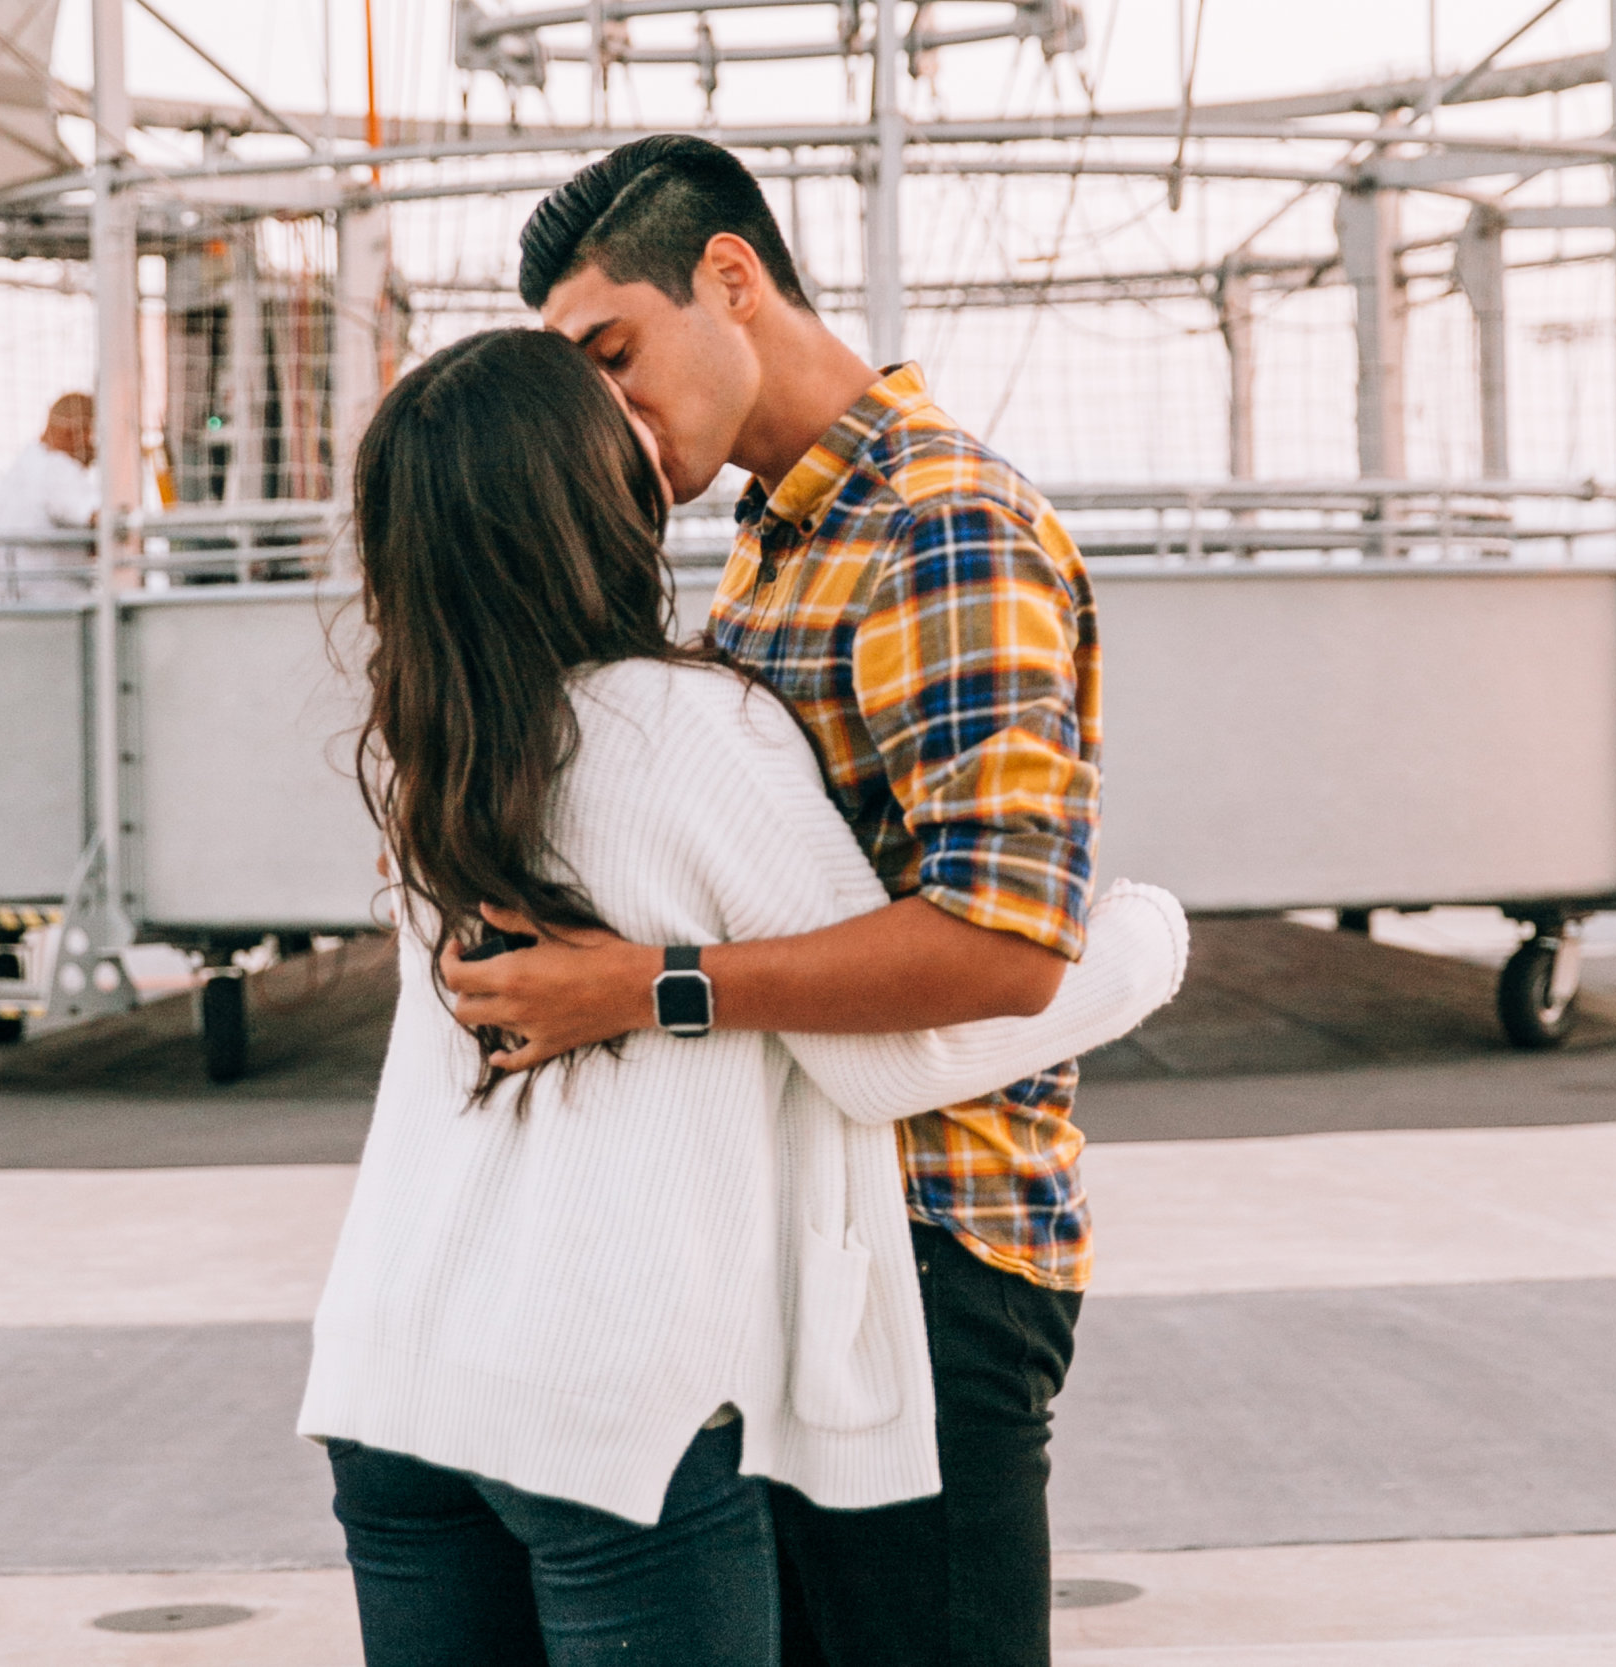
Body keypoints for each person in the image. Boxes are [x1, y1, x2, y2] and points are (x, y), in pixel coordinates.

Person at [297, 327, 1184, 1667]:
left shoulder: (431, 749)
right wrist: (1137, 946)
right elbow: (884, 1058)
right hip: (601, 1400)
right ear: (579, 496)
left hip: (390, 1367)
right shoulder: (688, 733)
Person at [446, 134, 1108, 1667]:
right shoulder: (772, 542)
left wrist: (639, 984)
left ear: (730, 280)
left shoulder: (938, 525)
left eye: (614, 352)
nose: (605, 408)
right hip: (806, 1241)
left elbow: (1005, 939)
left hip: (936, 1246)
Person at [0, 391, 98, 599]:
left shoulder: (22, 468)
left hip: (16, 601)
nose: (96, 449)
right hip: (60, 603)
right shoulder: (58, 467)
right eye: (94, 435)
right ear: (77, 432)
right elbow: (100, 517)